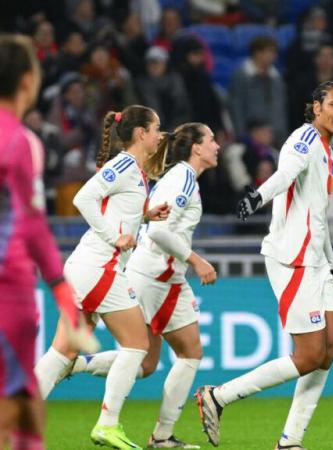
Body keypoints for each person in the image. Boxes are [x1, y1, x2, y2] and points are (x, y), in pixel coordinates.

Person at [194, 80, 333, 449]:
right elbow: (286, 174)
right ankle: (219, 397)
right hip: (293, 257)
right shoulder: (306, 139)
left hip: (315, 258)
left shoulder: (328, 149)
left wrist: (329, 263)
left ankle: (290, 440)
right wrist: (257, 196)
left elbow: (318, 213)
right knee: (309, 354)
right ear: (316, 107)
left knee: (328, 351)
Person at [56, 123, 220, 448]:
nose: (218, 145)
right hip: (154, 275)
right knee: (185, 353)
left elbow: (152, 221)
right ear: (197, 148)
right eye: (212, 139)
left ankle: (77, 363)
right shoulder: (184, 179)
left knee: (147, 363)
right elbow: (160, 232)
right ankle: (159, 435)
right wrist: (197, 260)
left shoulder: (178, 178)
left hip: (161, 275)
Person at [33, 104, 171, 449]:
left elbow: (116, 206)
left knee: (61, 353)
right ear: (141, 133)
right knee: (137, 345)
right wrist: (115, 237)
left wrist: (146, 213)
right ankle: (108, 424)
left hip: (87, 266)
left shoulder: (134, 170)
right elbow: (84, 198)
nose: (159, 134)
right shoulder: (124, 163)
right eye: (156, 128)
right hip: (100, 267)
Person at [0, 34, 98, 450]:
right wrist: (63, 296)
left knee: (24, 407)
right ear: (27, 80)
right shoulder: (22, 142)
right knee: (16, 409)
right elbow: (35, 227)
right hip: (10, 290)